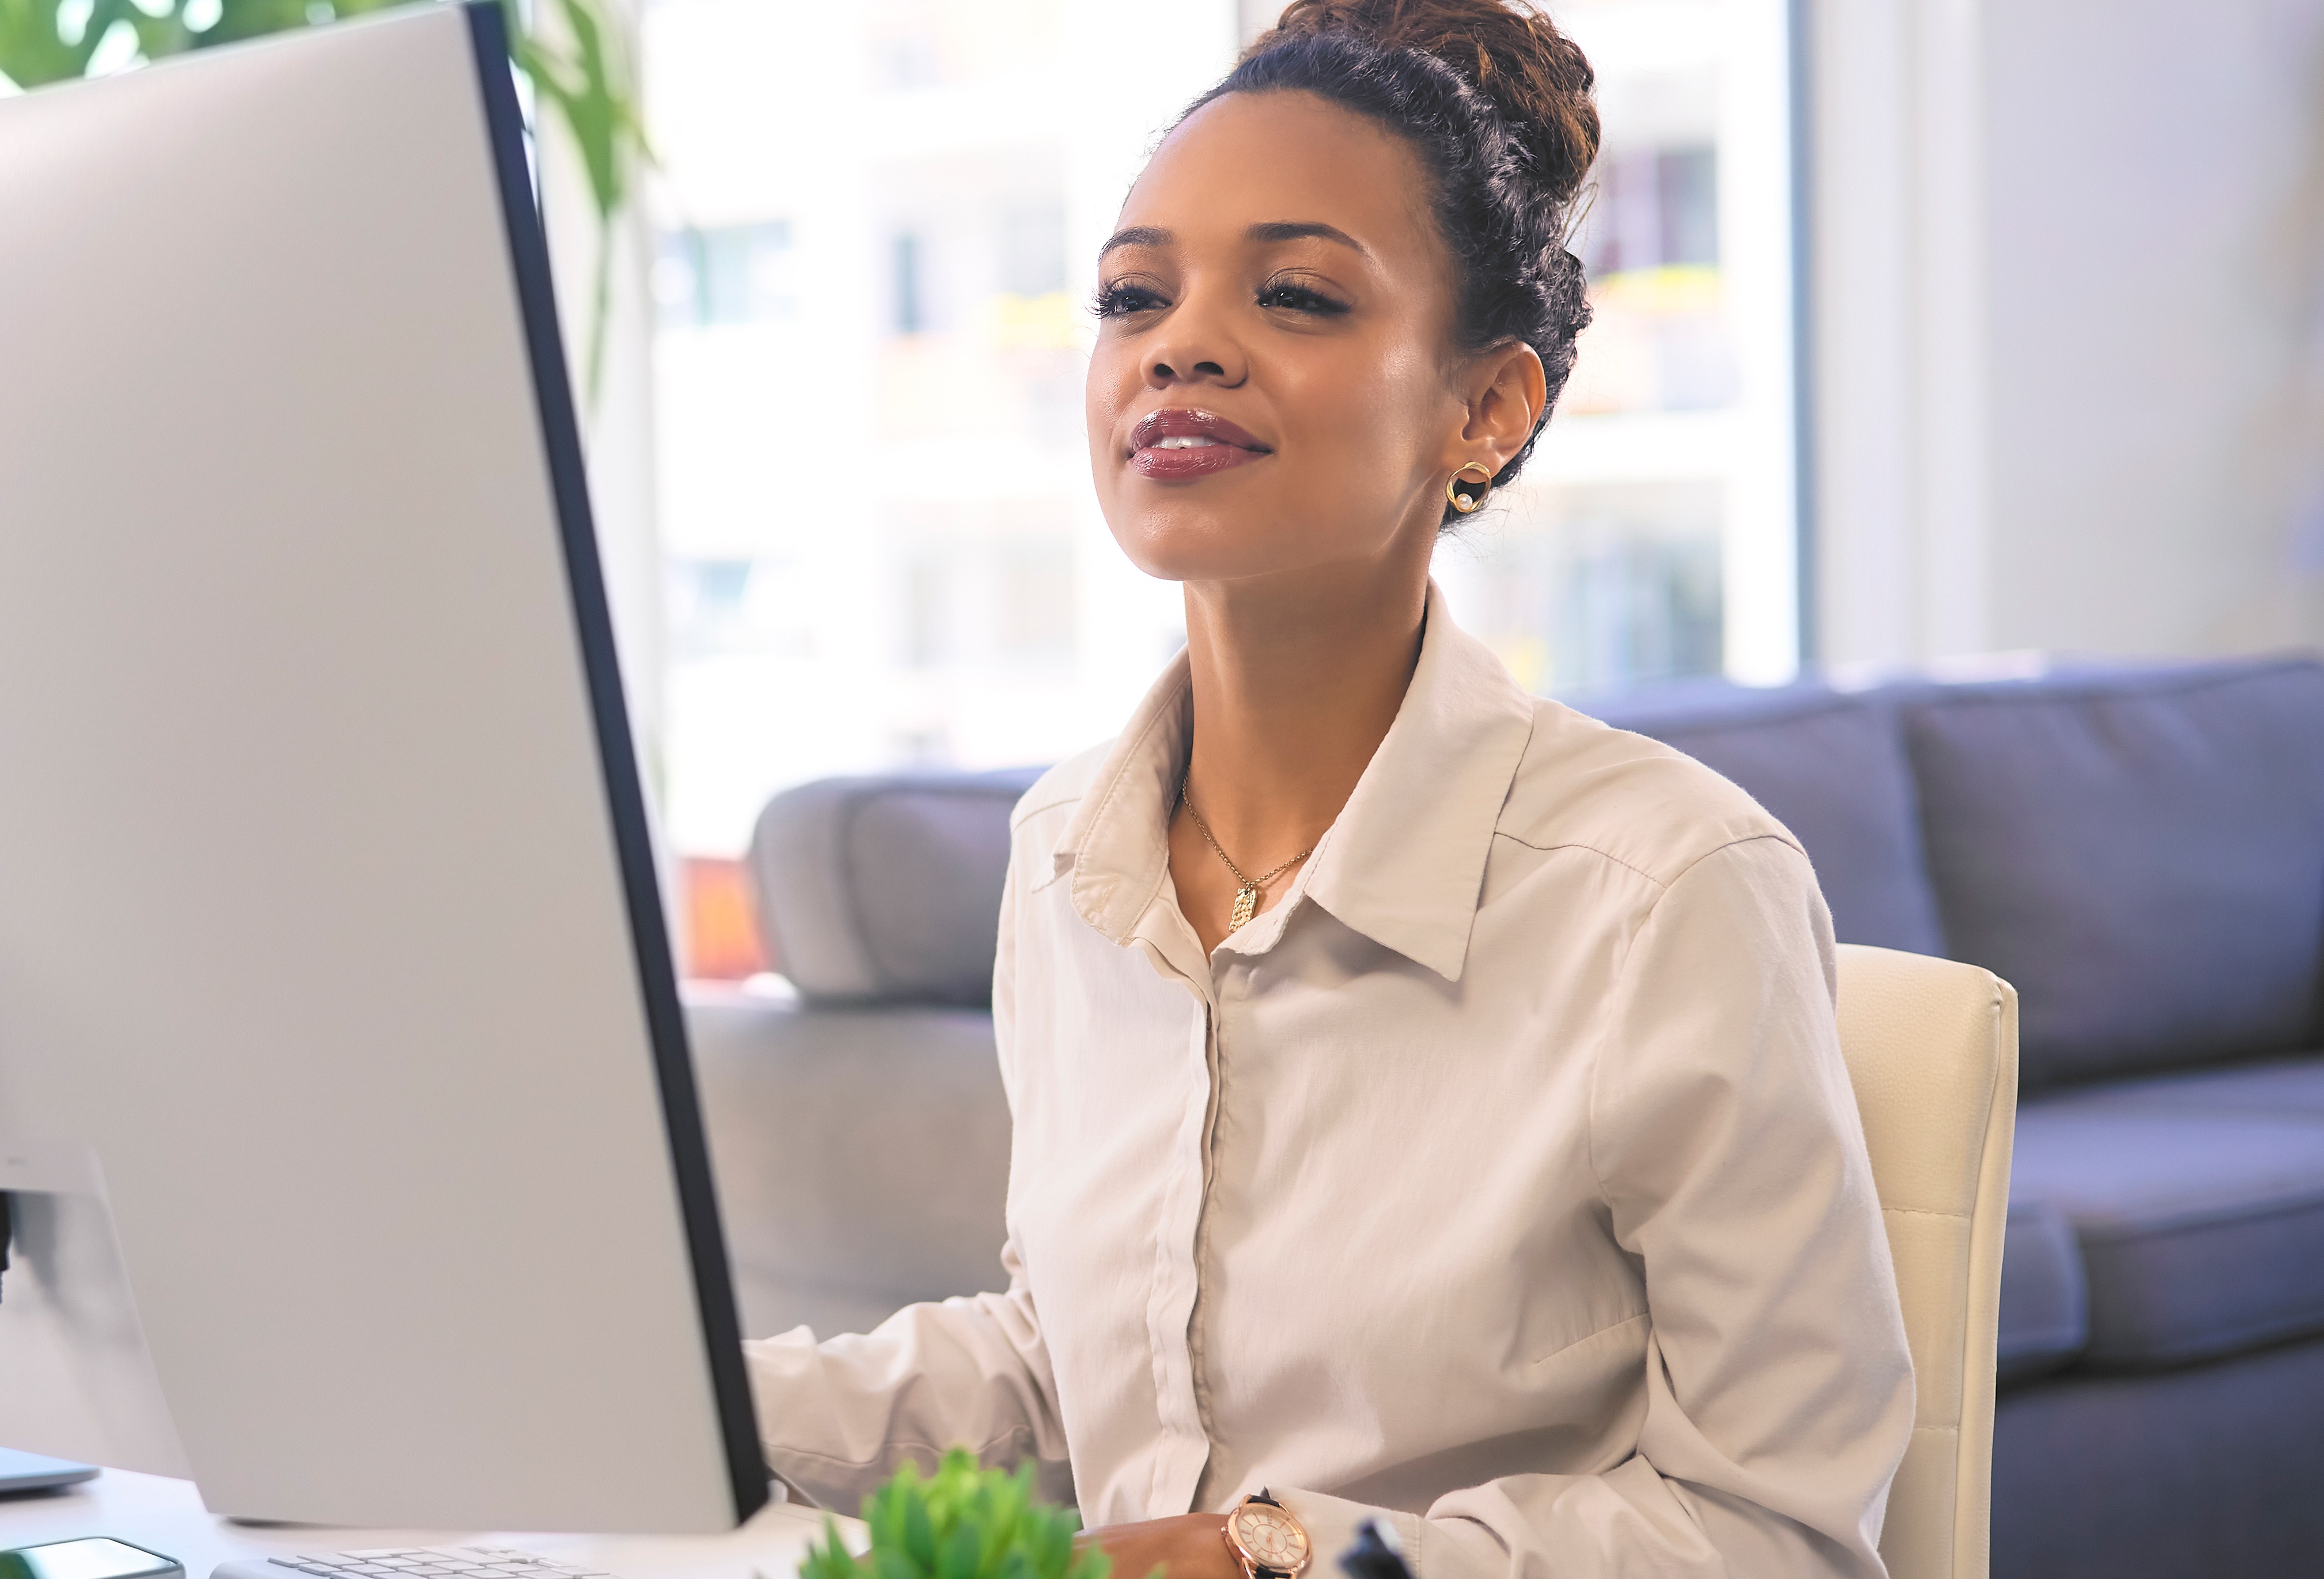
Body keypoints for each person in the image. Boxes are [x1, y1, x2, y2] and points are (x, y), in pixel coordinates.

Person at [738, 4, 1915, 1577]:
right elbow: (1081, 1357)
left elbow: (1780, 1531)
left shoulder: (1666, 889)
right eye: (1132, 295)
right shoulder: (1065, 862)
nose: (1181, 344)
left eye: (1294, 294)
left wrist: (1268, 1557)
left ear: (1486, 409)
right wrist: (685, 1404)